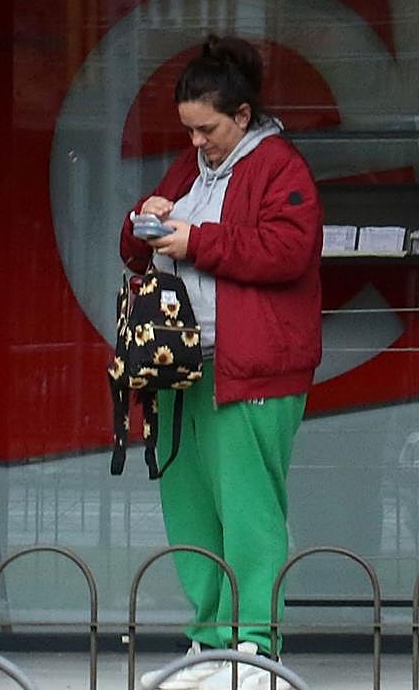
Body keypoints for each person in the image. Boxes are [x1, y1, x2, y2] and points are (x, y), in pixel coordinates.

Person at [119, 35, 323, 690]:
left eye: (206, 128)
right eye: (188, 130)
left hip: (253, 369)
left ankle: (255, 648)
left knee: (248, 512)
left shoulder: (280, 167)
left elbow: (285, 252)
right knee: (194, 509)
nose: (196, 141)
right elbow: (137, 245)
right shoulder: (192, 169)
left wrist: (191, 239)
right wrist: (142, 222)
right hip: (189, 367)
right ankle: (210, 645)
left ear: (241, 116)